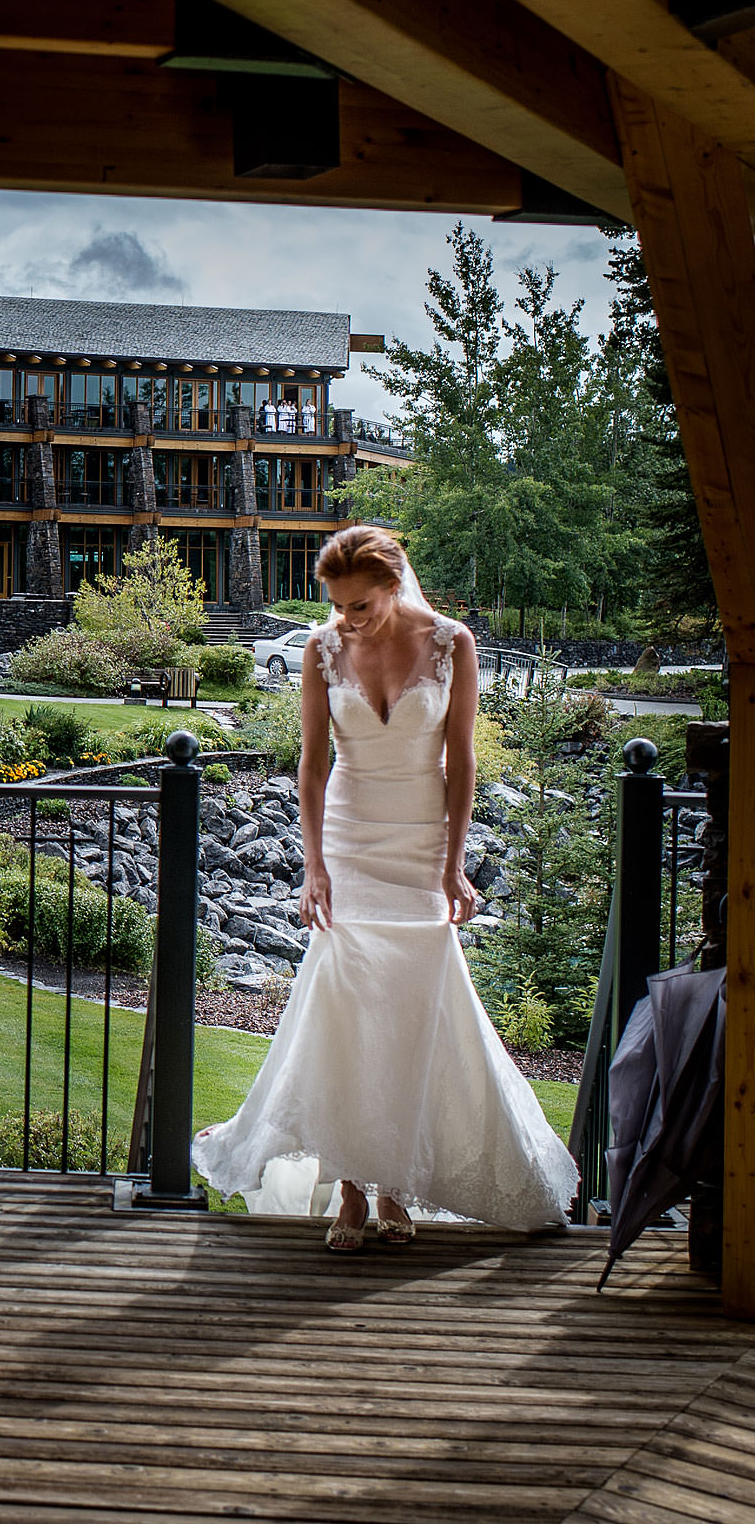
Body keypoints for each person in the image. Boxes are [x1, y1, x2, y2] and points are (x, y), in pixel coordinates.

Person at [193, 525, 576, 1245]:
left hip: (422, 841)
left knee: (415, 1009)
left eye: (360, 605)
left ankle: (398, 1183)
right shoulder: (322, 648)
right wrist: (313, 867)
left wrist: (455, 863)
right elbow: (309, 765)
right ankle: (349, 1189)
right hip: (347, 840)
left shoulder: (451, 643)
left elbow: (460, 763)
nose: (347, 619)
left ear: (394, 586)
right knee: (346, 1010)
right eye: (336, 604)